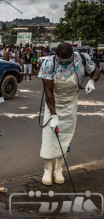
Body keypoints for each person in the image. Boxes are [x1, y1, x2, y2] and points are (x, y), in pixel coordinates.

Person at [38, 42, 100, 186]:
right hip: (53, 101)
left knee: (65, 135)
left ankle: (59, 169)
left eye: (68, 61)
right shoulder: (48, 63)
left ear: (73, 55)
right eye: (62, 61)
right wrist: (53, 116)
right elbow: (48, 91)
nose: (65, 64)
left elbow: (95, 71)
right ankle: (47, 169)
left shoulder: (82, 58)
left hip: (71, 102)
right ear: (56, 56)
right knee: (49, 135)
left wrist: (92, 81)